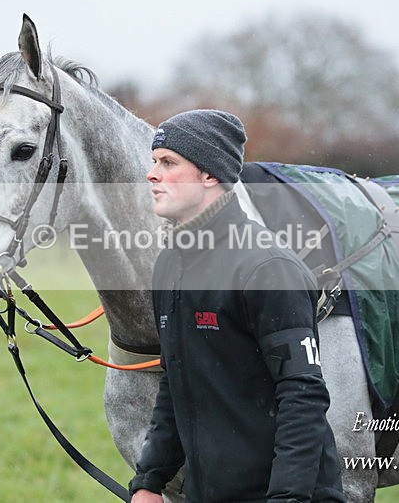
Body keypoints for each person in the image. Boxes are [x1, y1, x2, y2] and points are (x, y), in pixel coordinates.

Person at [129, 110, 345, 502]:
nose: (152, 174)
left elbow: (303, 397)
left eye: (168, 162)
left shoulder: (267, 267)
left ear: (210, 174)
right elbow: (175, 382)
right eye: (154, 161)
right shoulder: (170, 263)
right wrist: (149, 481)